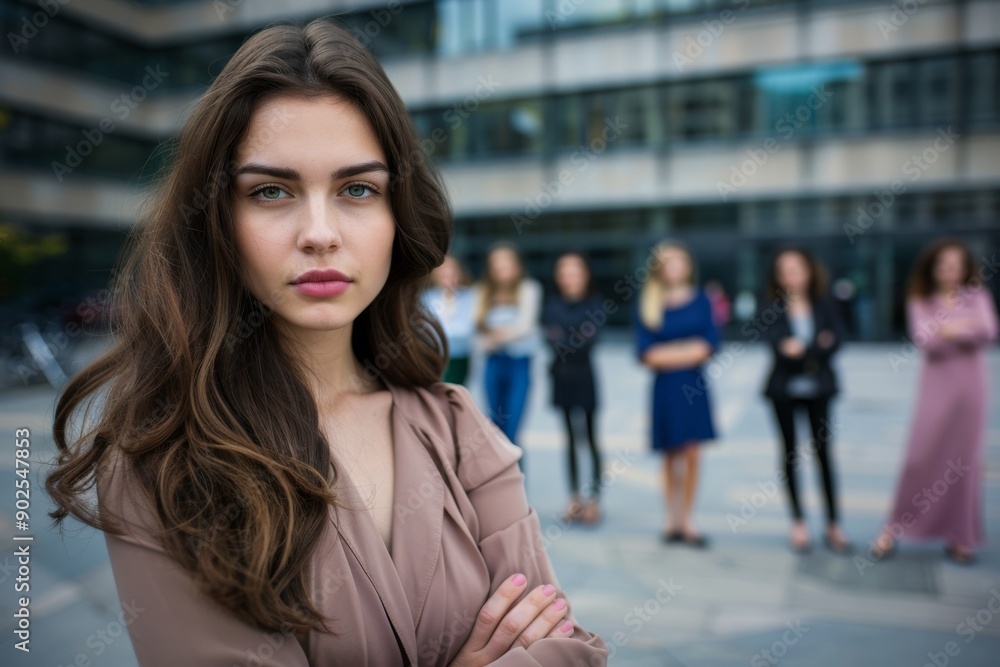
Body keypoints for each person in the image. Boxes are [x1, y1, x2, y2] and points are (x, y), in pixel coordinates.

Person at [43, 21, 607, 667]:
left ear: (399, 213)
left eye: (357, 189)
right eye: (271, 191)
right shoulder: (165, 460)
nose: (319, 233)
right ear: (217, 221)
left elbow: (569, 648)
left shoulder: (455, 425)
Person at [873, 239, 999, 564]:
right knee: (920, 456)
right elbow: (925, 340)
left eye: (955, 265)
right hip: (935, 389)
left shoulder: (978, 296)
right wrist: (962, 328)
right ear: (932, 268)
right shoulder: (921, 300)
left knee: (964, 464)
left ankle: (960, 536)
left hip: (971, 390)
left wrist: (950, 329)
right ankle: (894, 527)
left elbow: (988, 331)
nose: (949, 271)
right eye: (943, 265)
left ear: (965, 268)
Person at [761, 247, 851, 555]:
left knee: (823, 452)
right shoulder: (772, 306)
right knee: (789, 455)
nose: (791, 276)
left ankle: (833, 523)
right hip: (783, 390)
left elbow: (836, 339)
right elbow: (777, 345)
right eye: (783, 270)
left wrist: (804, 350)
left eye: (796, 268)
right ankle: (798, 521)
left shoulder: (824, 303)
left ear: (809, 270)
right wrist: (816, 347)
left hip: (820, 389)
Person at [634, 241, 718, 547]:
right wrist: (687, 349)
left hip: (694, 387)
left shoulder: (702, 300)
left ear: (687, 265)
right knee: (670, 454)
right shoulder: (649, 302)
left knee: (693, 453)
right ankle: (671, 518)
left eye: (678, 261)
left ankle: (688, 518)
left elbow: (709, 345)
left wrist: (668, 352)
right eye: (667, 263)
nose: (674, 268)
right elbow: (645, 353)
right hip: (665, 389)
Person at [542, 252, 604, 525]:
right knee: (568, 439)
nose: (570, 278)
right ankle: (574, 498)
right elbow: (549, 336)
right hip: (561, 377)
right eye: (564, 272)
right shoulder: (552, 304)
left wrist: (564, 338)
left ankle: (594, 499)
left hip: (585, 376)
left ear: (585, 274)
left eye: (574, 272)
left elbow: (587, 341)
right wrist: (573, 337)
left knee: (590, 438)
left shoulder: (595, 303)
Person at [475, 242, 542, 466]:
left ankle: (518, 495)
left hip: (519, 365)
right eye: (497, 265)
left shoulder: (529, 289)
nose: (502, 270)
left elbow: (525, 327)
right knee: (495, 432)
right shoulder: (482, 292)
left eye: (507, 264)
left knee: (512, 432)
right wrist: (504, 335)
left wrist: (494, 336)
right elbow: (476, 336)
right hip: (493, 365)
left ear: (517, 266)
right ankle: (499, 494)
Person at [422, 254, 476, 385]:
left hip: (460, 357)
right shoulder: (426, 298)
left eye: (452, 270)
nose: (448, 274)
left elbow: (468, 329)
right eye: (444, 270)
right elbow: (424, 330)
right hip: (434, 358)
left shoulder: (469, 296)